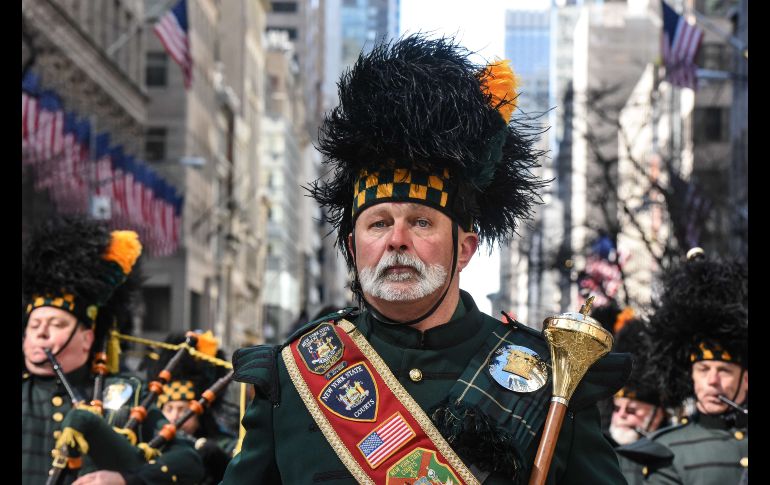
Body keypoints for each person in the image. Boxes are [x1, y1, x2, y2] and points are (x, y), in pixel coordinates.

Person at [222, 34, 630, 484]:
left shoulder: (552, 381)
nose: (396, 239)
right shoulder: (292, 376)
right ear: (354, 249)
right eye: (378, 223)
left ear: (465, 250)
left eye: (420, 222)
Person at [22, 216, 204, 485]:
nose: (41, 333)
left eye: (56, 323)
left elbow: (189, 463)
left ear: (87, 338)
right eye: (34, 324)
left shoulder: (125, 394)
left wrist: (125, 480)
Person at [622, 248, 748, 484]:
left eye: (724, 371)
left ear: (746, 379)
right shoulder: (665, 451)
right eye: (703, 369)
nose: (712, 381)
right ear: (691, 375)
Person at [145, 332, 238, 485]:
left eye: (183, 410)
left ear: (200, 415)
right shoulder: (148, 445)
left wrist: (220, 462)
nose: (174, 417)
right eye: (169, 409)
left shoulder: (223, 446)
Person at [606, 319, 671, 484]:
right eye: (617, 408)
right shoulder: (599, 451)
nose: (621, 416)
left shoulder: (673, 453)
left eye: (632, 410)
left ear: (657, 415)